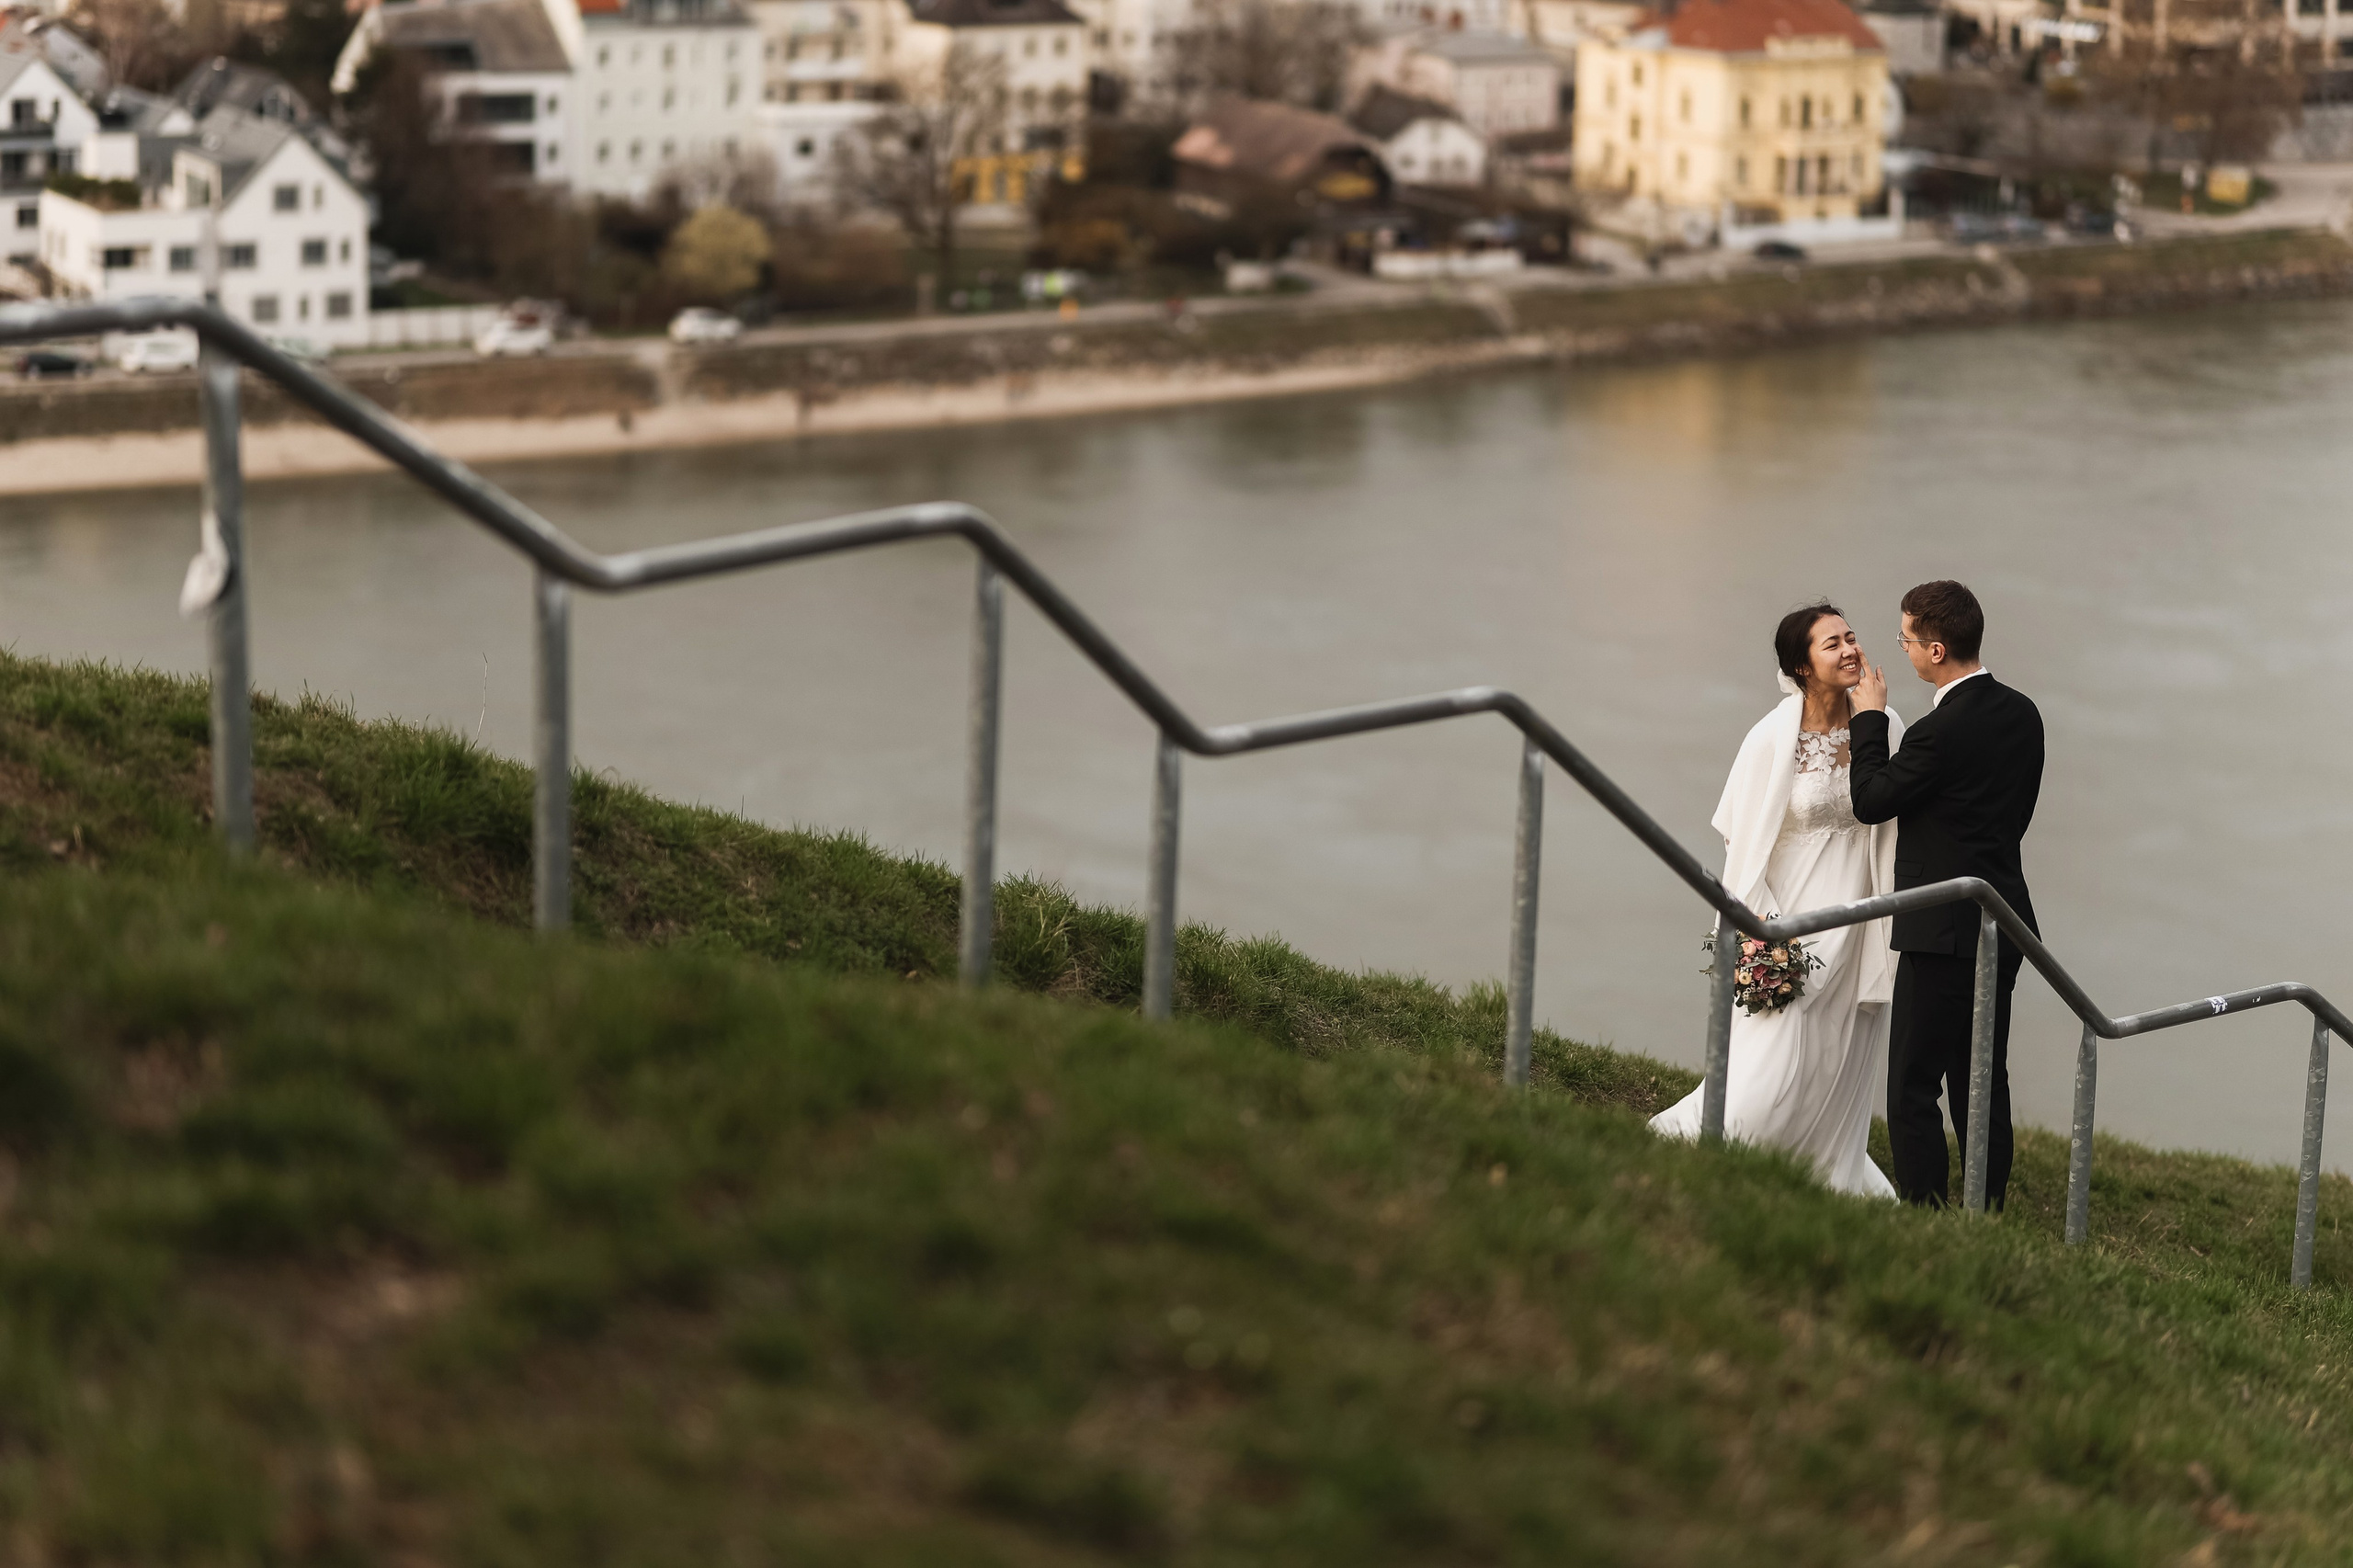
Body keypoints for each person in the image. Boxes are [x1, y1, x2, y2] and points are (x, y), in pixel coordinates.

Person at [1652, 602, 1902, 1199]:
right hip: (1791, 911)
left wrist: (1874, 718)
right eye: (1831, 644)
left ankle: (1823, 1162)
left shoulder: (1885, 722)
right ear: (1801, 667)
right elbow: (1740, 838)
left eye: (1851, 637)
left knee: (1840, 1044)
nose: (1850, 650)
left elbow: (1898, 808)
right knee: (1778, 1040)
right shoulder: (1769, 738)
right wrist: (1763, 927)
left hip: (1861, 909)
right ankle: (1734, 1140)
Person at [1848, 580, 2044, 1210]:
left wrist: (1870, 718)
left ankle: (1925, 1212)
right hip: (2004, 920)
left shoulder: (1938, 732)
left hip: (1942, 932)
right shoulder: (2024, 713)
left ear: (1936, 650)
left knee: (1912, 1082)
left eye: (1906, 639)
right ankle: (1985, 1210)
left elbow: (1870, 800)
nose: (1902, 649)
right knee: (1981, 1078)